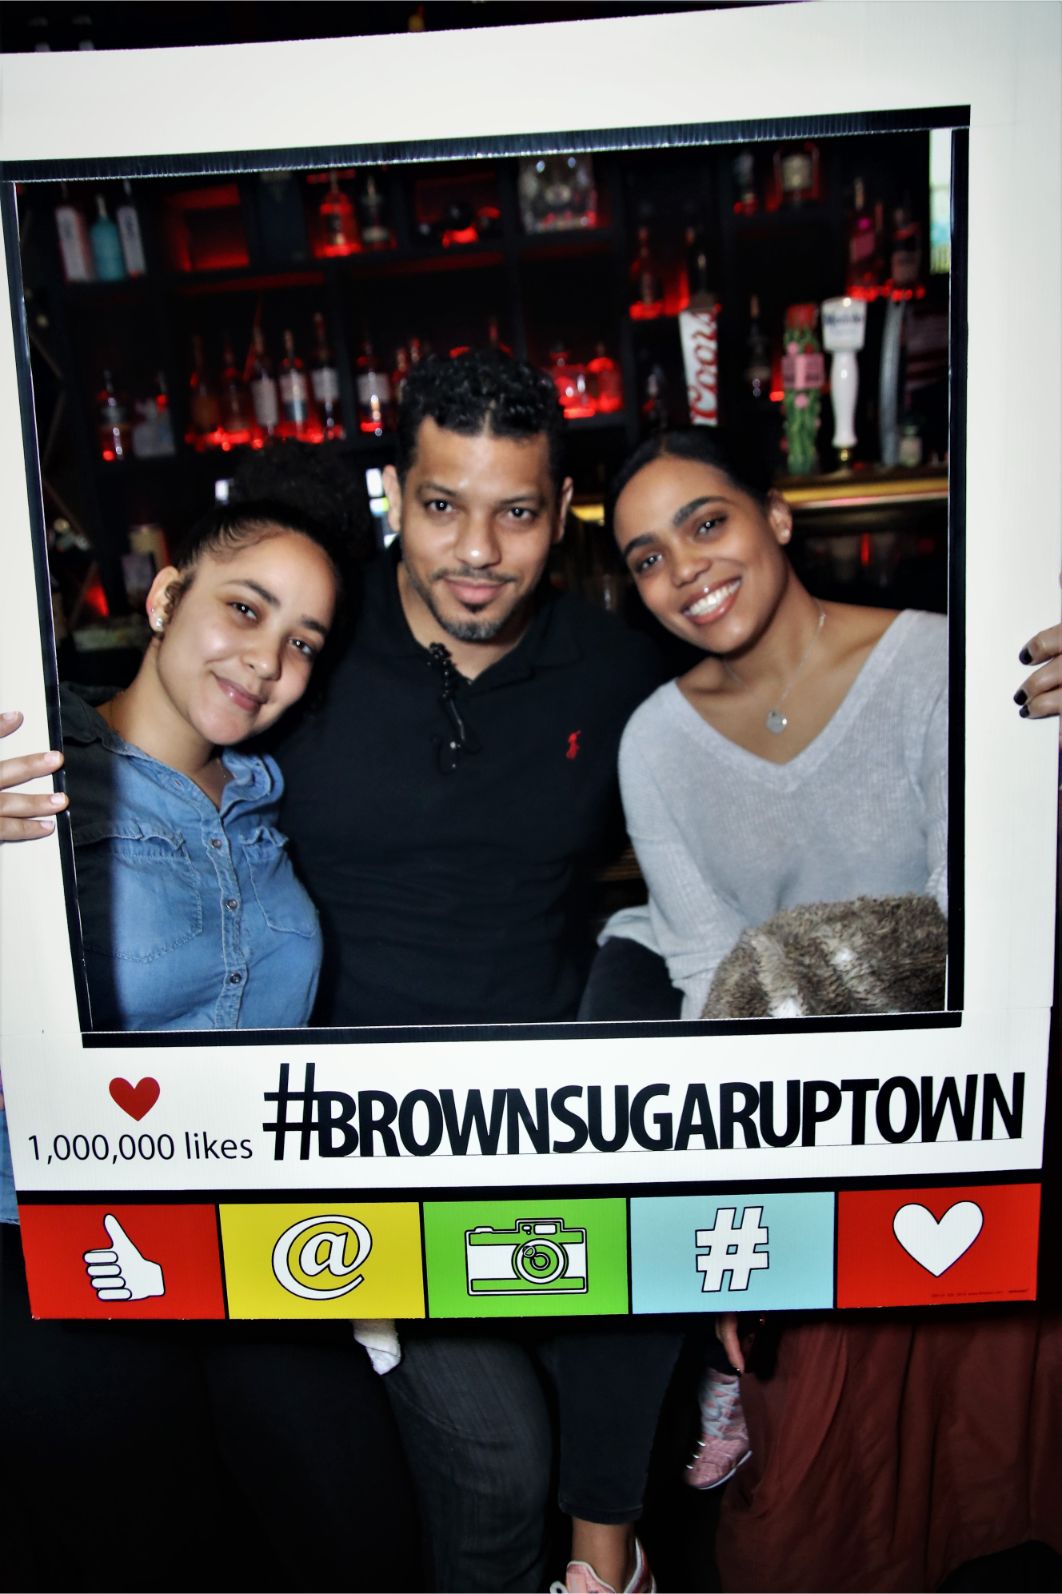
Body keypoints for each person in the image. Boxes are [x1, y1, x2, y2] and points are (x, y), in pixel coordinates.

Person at [0, 500, 418, 1592]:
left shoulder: (271, 802)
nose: (269, 660)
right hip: (53, 1239)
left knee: (364, 1533)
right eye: (245, 608)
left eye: (303, 641)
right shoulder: (34, 778)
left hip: (250, 1239)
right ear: (164, 596)